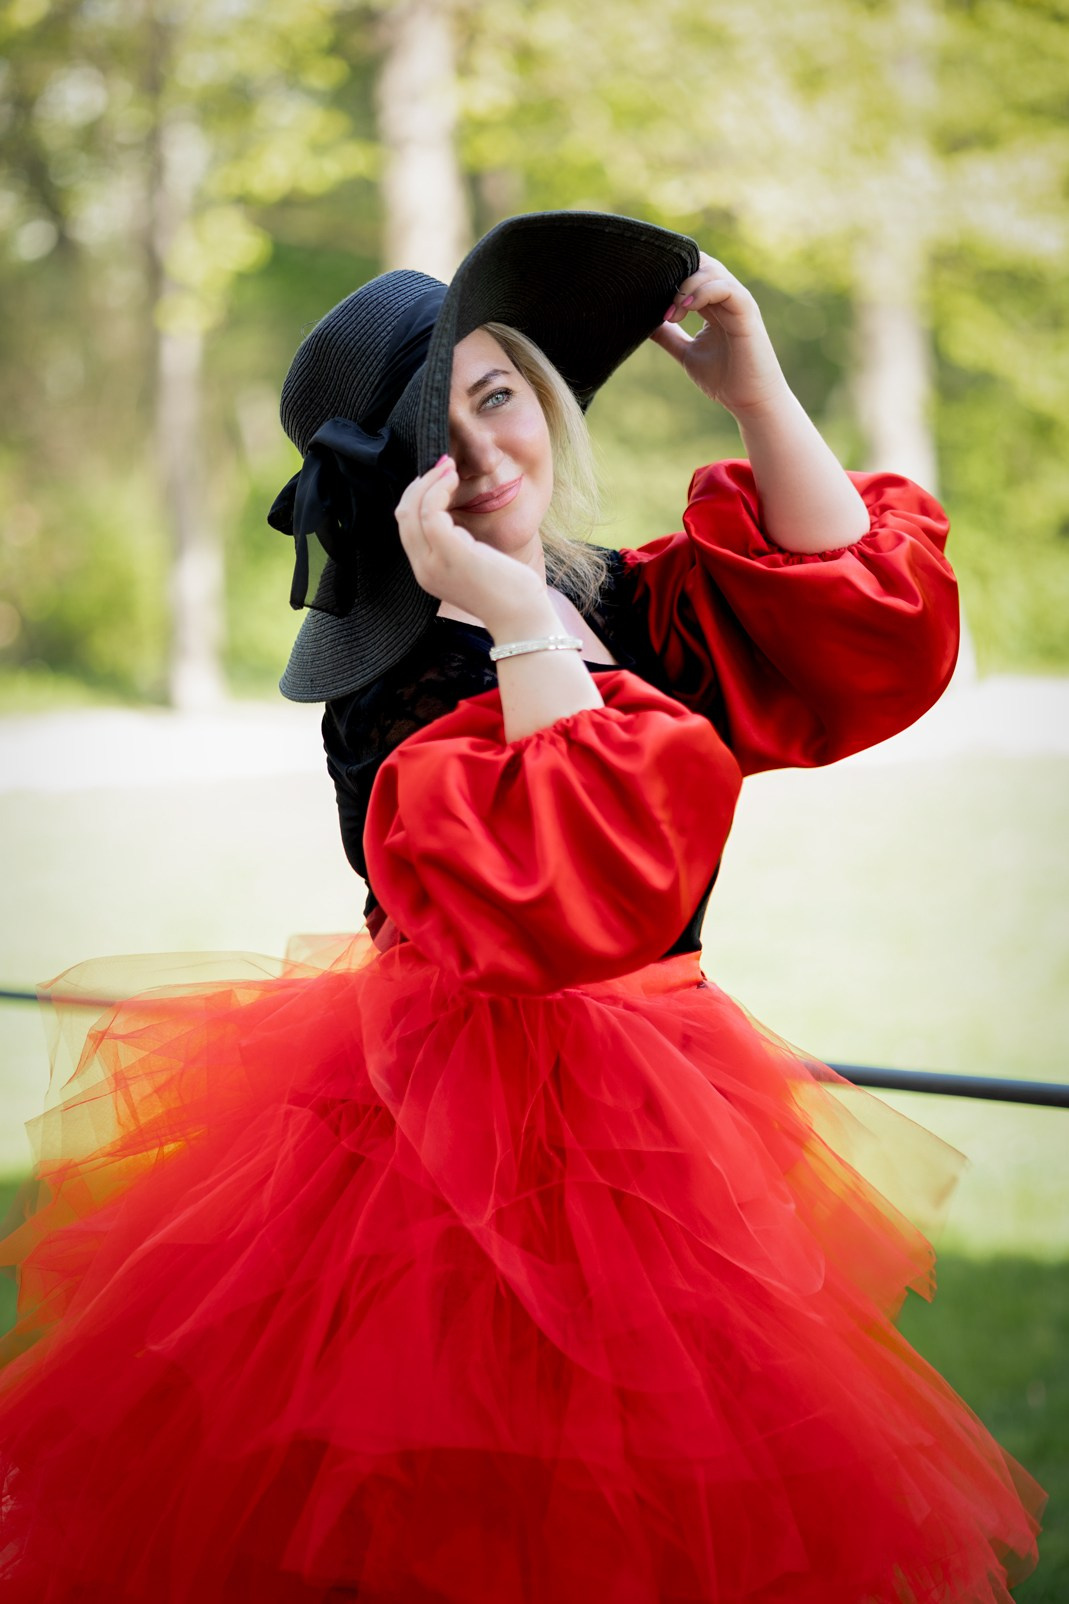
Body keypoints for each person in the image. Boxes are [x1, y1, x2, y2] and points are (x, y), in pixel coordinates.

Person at [0, 212, 1044, 1602]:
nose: (489, 455)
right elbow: (585, 882)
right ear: (385, 495)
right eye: (439, 434)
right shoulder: (396, 699)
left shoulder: (622, 601)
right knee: (471, 1510)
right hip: (442, 1160)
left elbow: (854, 624)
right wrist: (499, 604)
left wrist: (754, 387)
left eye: (499, 396)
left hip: (661, 1120)